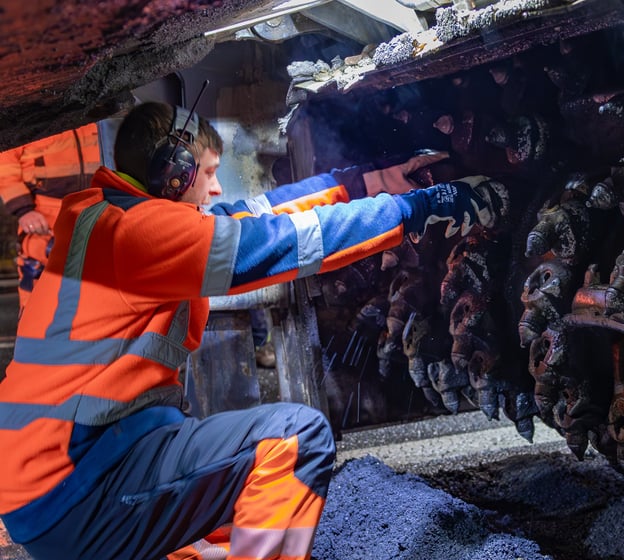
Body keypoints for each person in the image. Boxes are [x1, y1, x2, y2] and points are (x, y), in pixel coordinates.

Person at [0, 101, 506, 560]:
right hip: (74, 489)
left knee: (229, 522)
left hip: (54, 479)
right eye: (210, 173)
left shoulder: (109, 219)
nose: (217, 188)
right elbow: (283, 242)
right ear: (173, 175)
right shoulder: (138, 235)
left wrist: (370, 183)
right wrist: (419, 208)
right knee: (293, 438)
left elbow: (254, 214)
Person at [0, 123, 101, 312]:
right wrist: (23, 210)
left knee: (94, 296)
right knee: (39, 297)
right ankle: (34, 337)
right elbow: (4, 164)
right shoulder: (30, 113)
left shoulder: (93, 106)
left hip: (95, 210)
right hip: (43, 216)